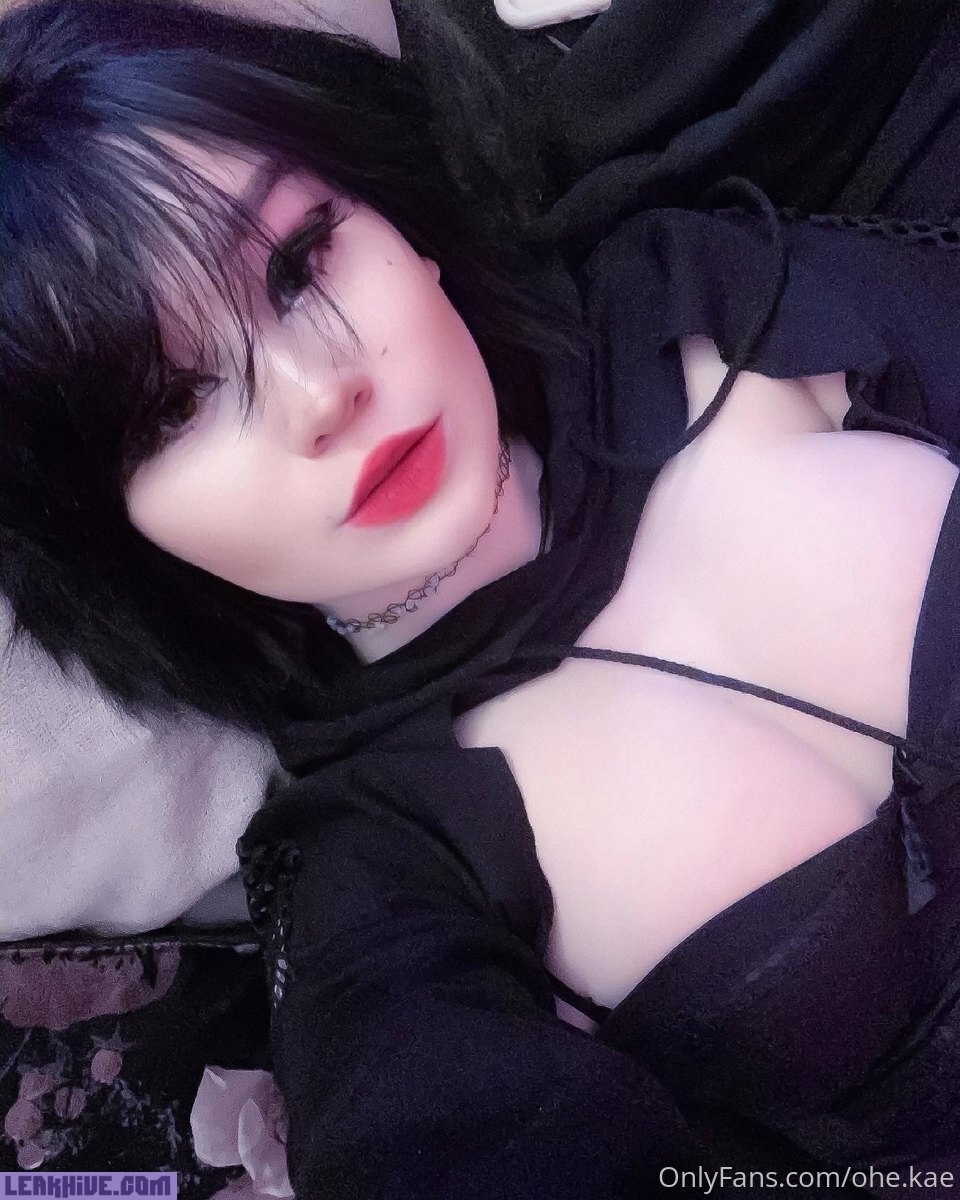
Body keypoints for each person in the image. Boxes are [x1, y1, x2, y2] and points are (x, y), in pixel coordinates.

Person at [3, 0, 960, 1195]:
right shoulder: (381, 868)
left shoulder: (699, 289)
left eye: (301, 263)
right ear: (116, 532)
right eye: (173, 406)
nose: (320, 393)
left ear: (403, 224)